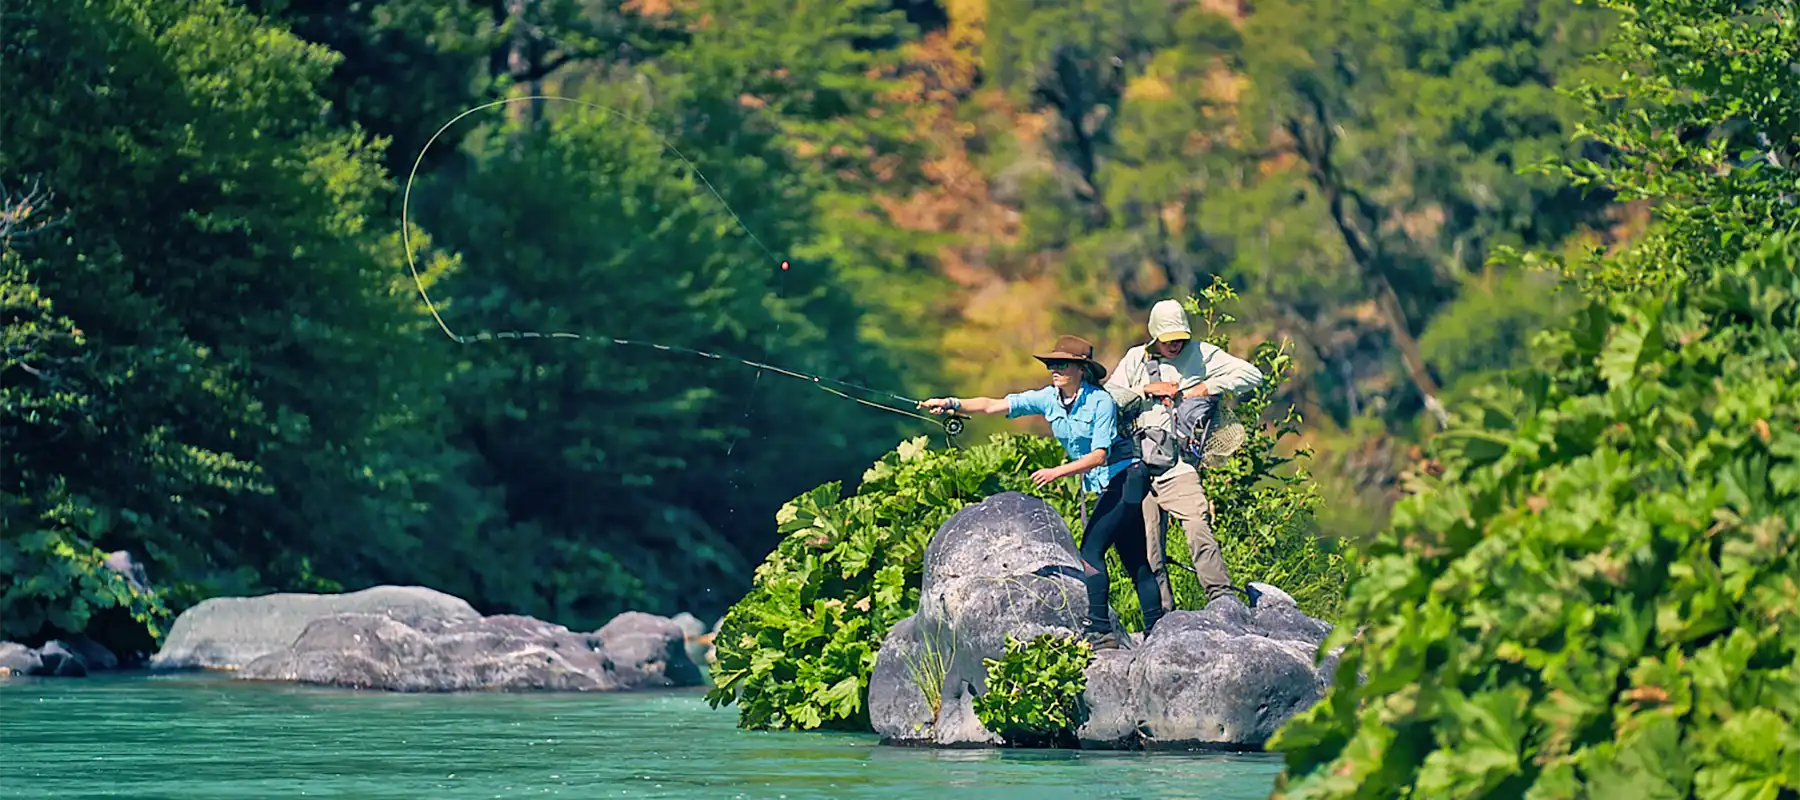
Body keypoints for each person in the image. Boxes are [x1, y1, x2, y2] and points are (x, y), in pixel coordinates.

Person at [918, 334, 1161, 649]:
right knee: (1135, 560)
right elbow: (994, 405)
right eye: (1051, 364)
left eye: (1061, 364)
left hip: (1128, 477)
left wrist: (1056, 472)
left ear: (1081, 369)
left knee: (1090, 550)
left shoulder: (1100, 402)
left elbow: (1100, 455)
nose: (1054, 370)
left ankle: (1101, 630)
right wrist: (951, 403)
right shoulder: (1049, 398)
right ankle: (1157, 629)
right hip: (1110, 483)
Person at [1104, 299, 1264, 613]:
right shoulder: (1136, 358)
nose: (1175, 344)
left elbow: (1252, 376)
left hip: (1178, 466)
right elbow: (1109, 397)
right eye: (1168, 339)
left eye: (1180, 337)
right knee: (1150, 547)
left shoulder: (1203, 355)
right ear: (1154, 336)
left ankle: (1221, 597)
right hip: (1137, 463)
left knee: (1197, 523)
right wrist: (1147, 390)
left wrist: (1205, 387)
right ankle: (1163, 614)